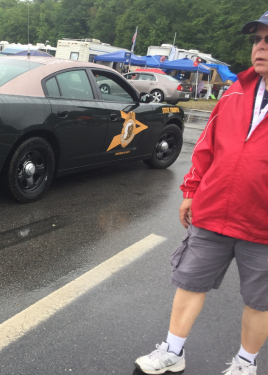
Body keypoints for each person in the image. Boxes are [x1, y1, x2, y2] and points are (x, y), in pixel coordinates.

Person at [134, 10, 268, 375]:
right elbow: (207, 146)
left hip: (263, 227)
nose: (260, 47)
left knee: (260, 301)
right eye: (257, 39)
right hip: (213, 213)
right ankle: (173, 352)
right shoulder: (236, 91)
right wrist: (191, 191)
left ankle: (245, 364)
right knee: (190, 283)